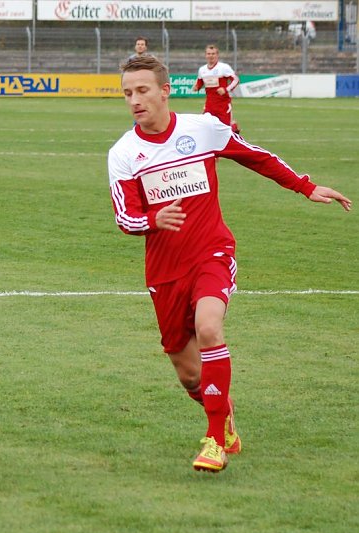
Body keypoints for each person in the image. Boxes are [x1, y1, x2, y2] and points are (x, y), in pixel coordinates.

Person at [108, 56, 351, 473]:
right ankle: (225, 417)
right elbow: (124, 217)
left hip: (211, 252)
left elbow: (255, 156)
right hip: (164, 270)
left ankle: (216, 438)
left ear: (165, 91)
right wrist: (154, 219)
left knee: (209, 327)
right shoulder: (123, 153)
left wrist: (305, 187)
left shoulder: (201, 129)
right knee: (188, 376)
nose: (135, 99)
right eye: (128, 93)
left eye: (143, 90)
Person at [192, 45, 240, 134]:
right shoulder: (202, 70)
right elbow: (199, 82)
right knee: (205, 127)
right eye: (209, 54)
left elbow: (236, 80)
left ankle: (234, 127)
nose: (211, 56)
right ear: (205, 55)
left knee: (225, 130)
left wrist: (225, 89)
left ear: (217, 55)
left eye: (213, 54)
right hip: (209, 105)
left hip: (223, 104)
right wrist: (196, 87)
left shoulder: (223, 67)